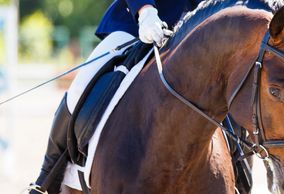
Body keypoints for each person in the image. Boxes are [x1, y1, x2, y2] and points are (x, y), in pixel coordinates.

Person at [29, 0, 202, 193]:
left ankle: (240, 170)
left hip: (199, 31)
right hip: (139, 24)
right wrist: (145, 10)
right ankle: (47, 179)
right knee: (80, 87)